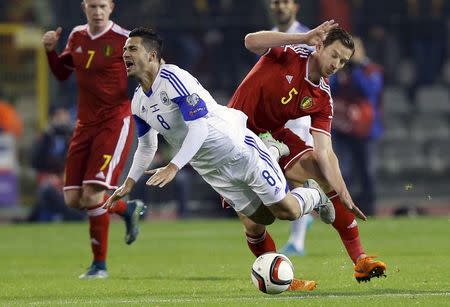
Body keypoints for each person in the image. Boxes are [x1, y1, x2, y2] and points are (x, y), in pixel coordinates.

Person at [103, 26, 344, 291]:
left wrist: (173, 166)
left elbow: (200, 127)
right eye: (124, 49)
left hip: (238, 147)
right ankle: (283, 280)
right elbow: (146, 146)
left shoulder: (173, 78)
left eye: (132, 48)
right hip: (212, 169)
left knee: (286, 211)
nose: (125, 53)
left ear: (151, 55)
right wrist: (129, 183)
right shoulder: (138, 102)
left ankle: (313, 194)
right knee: (257, 223)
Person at [228, 25, 387, 282]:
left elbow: (325, 151)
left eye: (344, 61)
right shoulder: (290, 53)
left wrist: (344, 193)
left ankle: (360, 259)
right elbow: (250, 41)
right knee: (255, 223)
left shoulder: (322, 96)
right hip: (235, 136)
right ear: (320, 46)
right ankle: (282, 280)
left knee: (318, 167)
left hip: (275, 136)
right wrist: (303, 37)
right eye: (334, 55)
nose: (337, 64)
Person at [41, 0, 147, 279]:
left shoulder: (125, 40)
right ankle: (127, 209)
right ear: (84, 7)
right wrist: (51, 52)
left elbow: (149, 72)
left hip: (114, 122)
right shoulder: (77, 36)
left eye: (102, 6)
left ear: (111, 7)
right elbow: (63, 73)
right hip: (84, 124)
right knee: (73, 199)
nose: (97, 12)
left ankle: (99, 266)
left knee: (93, 195)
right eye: (92, 6)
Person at [269, 0, 315, 257]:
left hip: (297, 118)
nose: (279, 7)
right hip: (274, 118)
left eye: (284, 2)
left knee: (297, 177)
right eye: (275, 2)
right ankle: (302, 217)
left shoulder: (308, 38)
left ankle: (297, 241)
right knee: (277, 175)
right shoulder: (271, 36)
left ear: (295, 6)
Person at [330, 37, 384, 216]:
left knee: (367, 170)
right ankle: (345, 208)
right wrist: (342, 71)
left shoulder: (371, 70)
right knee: (344, 170)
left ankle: (370, 208)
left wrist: (357, 70)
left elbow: (370, 91)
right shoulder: (339, 69)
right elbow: (330, 89)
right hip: (343, 128)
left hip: (365, 130)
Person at [28, 105, 85, 222]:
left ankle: (74, 215)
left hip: (69, 178)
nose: (63, 120)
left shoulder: (74, 137)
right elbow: (35, 161)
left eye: (65, 116)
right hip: (50, 179)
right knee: (47, 190)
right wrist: (46, 136)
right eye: (59, 116)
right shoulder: (46, 138)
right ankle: (74, 216)